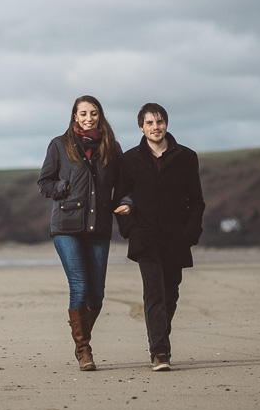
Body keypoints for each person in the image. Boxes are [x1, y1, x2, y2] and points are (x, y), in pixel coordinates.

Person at [38, 95, 131, 371]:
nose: (88, 118)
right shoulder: (59, 145)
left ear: (100, 116)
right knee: (79, 286)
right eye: (83, 113)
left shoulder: (111, 148)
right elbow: (44, 183)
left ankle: (82, 337)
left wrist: (127, 203)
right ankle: (84, 350)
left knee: (97, 294)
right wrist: (63, 188)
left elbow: (123, 186)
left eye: (93, 113)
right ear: (74, 117)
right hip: (67, 226)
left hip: (99, 226)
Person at [118, 102, 205, 371]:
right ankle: (160, 352)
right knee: (153, 293)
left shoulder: (187, 157)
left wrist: (190, 233)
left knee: (171, 293)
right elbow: (120, 198)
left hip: (176, 236)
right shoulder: (129, 159)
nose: (156, 127)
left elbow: (197, 201)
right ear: (141, 127)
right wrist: (131, 228)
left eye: (160, 121)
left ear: (166, 123)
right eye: (150, 123)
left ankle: (158, 338)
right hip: (145, 236)